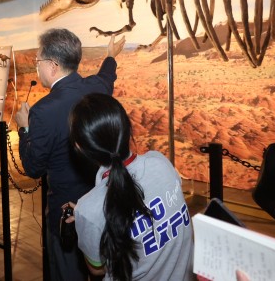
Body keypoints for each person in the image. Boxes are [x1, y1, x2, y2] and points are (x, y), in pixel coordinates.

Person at [14, 28, 125, 281]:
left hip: (67, 215)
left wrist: (24, 128)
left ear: (53, 65)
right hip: (103, 206)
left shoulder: (42, 111)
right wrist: (110, 55)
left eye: (38, 61)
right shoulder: (96, 88)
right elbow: (108, 76)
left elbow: (33, 168)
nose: (36, 66)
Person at [67, 93, 194, 281]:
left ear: (79, 147)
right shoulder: (161, 163)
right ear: (127, 127)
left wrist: (87, 221)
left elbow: (98, 269)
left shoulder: (89, 210)